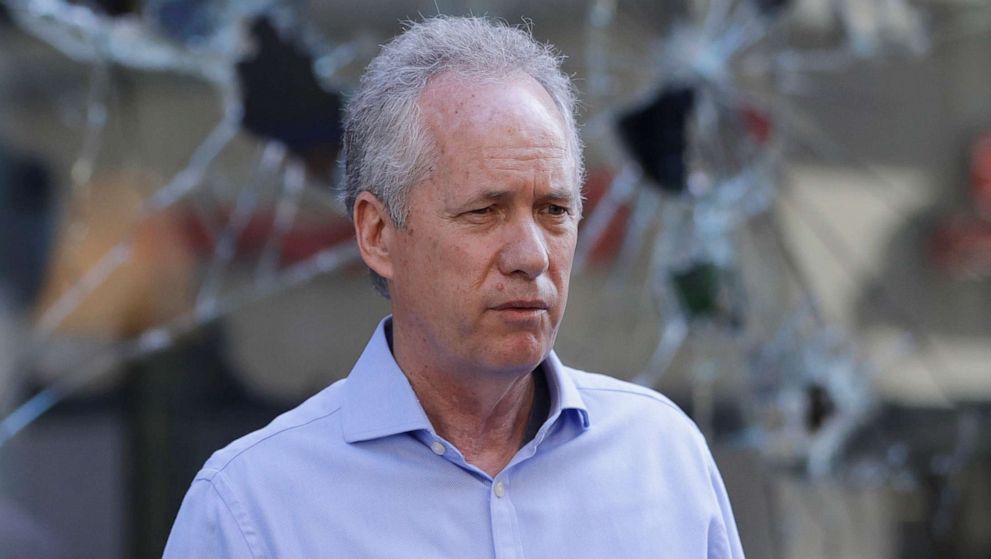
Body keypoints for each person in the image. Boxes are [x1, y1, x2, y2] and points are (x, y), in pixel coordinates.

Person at [164, 16, 745, 558]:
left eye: (554, 210)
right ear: (377, 233)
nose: (532, 255)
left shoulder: (664, 460)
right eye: (485, 211)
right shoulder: (251, 509)